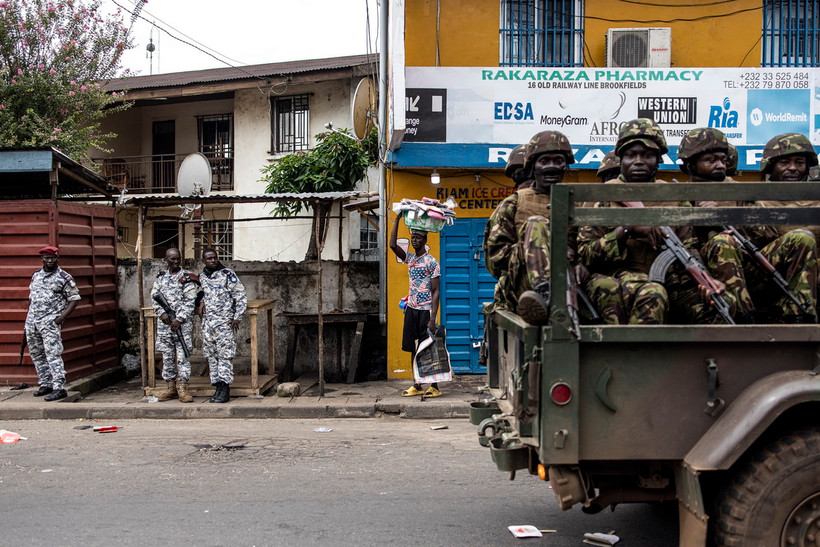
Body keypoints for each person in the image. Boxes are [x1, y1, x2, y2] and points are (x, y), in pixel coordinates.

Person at [578, 118, 729, 324]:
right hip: (617, 278)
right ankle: (640, 356)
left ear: (658, 160)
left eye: (647, 155)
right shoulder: (604, 195)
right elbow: (586, 255)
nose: (639, 161)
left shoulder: (673, 195)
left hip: (671, 280)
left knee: (719, 305)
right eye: (631, 155)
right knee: (653, 293)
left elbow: (689, 246)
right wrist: (627, 230)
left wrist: (704, 278)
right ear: (621, 159)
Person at [483, 130, 576, 325]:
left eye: (557, 161)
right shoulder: (514, 203)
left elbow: (587, 244)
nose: (551, 167)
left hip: (570, 278)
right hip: (524, 284)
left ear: (565, 165)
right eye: (544, 161)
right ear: (533, 166)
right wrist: (532, 252)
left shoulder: (577, 203)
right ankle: (546, 292)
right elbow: (495, 260)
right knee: (536, 224)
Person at [677, 127, 755, 323]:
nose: (720, 165)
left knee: (801, 237)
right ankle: (744, 321)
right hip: (698, 272)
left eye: (722, 159)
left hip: (747, 265)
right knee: (722, 242)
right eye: (710, 160)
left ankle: (800, 319)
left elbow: (768, 234)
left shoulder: (740, 193)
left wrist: (725, 218)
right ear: (690, 165)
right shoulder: (677, 195)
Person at [746, 133, 818, 322]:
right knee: (802, 237)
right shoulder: (757, 202)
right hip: (771, 278)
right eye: (784, 162)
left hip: (814, 277)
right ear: (771, 166)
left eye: (799, 162)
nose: (793, 168)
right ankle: (799, 316)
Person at [389, 214, 442, 398]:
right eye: (413, 237)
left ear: (425, 240)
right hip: (411, 310)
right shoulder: (410, 258)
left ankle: (434, 386)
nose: (415, 240)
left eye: (418, 237)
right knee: (412, 348)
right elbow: (392, 245)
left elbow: (436, 291)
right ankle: (417, 384)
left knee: (428, 349)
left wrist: (433, 317)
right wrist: (396, 221)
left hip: (426, 311)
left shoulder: (432, 262)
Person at [25, 246, 81, 401]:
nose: (49, 261)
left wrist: (60, 318)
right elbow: (32, 299)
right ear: (42, 259)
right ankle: (45, 383)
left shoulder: (63, 277)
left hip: (50, 322)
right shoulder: (36, 276)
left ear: (57, 259)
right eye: (47, 258)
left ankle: (59, 387)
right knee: (37, 353)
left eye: (53, 258)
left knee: (53, 354)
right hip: (33, 322)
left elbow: (74, 299)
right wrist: (27, 322)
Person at [151, 247, 199, 403]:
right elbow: (154, 297)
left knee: (183, 356)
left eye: (178, 258)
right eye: (172, 259)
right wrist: (162, 313)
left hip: (182, 326)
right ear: (166, 259)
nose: (176, 261)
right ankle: (170, 387)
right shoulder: (161, 278)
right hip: (165, 325)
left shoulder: (187, 278)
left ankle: (183, 388)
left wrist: (180, 319)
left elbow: (190, 301)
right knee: (167, 356)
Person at [199, 248, 247, 403]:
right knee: (211, 357)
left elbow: (240, 295)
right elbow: (201, 293)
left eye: (215, 258)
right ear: (203, 261)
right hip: (208, 325)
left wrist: (237, 317)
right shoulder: (203, 277)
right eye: (209, 258)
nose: (213, 260)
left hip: (224, 323)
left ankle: (225, 390)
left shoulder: (227, 274)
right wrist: (200, 301)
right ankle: (217, 388)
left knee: (225, 356)